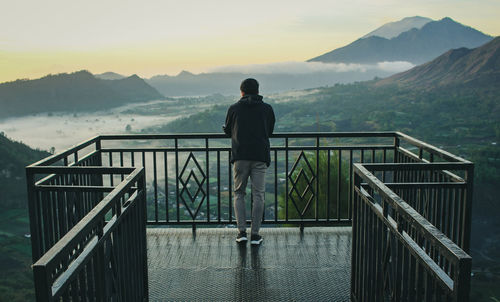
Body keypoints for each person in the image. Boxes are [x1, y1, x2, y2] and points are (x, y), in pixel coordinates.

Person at [223, 78, 275, 245]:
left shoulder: (234, 109)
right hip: (260, 156)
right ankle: (255, 234)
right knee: (258, 195)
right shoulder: (267, 109)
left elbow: (228, 130)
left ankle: (241, 232)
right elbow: (270, 131)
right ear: (258, 91)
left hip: (240, 156)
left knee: (239, 193)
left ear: (242, 92)